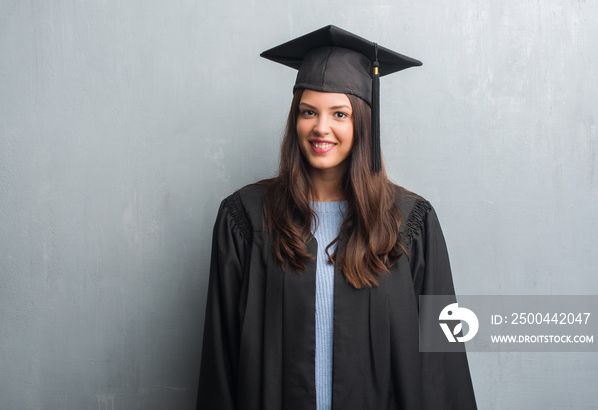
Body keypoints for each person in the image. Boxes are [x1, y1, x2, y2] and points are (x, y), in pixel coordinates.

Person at [196, 25, 477, 410]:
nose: (321, 127)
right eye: (308, 111)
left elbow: (443, 363)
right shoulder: (246, 220)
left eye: (339, 114)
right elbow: (221, 359)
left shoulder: (409, 223)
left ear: (362, 122)